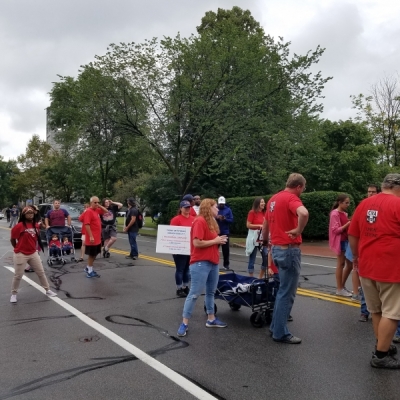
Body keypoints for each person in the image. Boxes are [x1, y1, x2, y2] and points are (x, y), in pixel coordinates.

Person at [349, 174, 400, 368]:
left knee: (376, 310)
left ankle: (382, 345)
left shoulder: (364, 204)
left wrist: (356, 257)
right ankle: (380, 355)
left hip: (367, 266)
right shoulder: (397, 204)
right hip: (391, 267)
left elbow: (353, 234)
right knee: (392, 313)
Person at [263, 173, 309, 344]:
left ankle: (276, 326)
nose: (302, 192)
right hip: (289, 250)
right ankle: (280, 332)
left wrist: (266, 241)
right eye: (303, 189)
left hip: (276, 249)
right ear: (298, 186)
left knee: (281, 290)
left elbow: (266, 223)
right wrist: (298, 230)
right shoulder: (291, 198)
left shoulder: (273, 199)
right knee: (286, 293)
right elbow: (303, 213)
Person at [177, 199, 228, 337]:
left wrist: (219, 240)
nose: (218, 209)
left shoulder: (211, 222)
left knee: (211, 292)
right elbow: (197, 243)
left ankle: (211, 319)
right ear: (208, 208)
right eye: (215, 207)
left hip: (213, 262)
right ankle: (184, 323)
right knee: (194, 293)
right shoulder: (200, 221)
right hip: (200, 262)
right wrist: (215, 240)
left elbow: (210, 241)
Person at [345, 184, 379, 320]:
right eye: (369, 191)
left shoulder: (384, 206)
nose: (371, 193)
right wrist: (355, 254)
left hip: (378, 250)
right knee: (363, 278)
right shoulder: (363, 205)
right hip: (364, 248)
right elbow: (354, 229)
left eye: (373, 191)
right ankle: (364, 311)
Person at [9, 207, 57, 303]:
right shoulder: (19, 226)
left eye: (32, 213)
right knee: (18, 275)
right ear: (24, 215)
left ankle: (47, 290)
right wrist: (17, 249)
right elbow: (13, 239)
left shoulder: (36, 225)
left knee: (41, 272)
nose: (30, 214)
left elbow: (35, 238)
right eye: (28, 213)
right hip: (21, 253)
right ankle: (13, 294)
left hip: (33, 253)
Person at [170, 200, 195, 297]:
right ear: (181, 208)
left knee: (187, 269)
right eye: (185, 207)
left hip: (190, 248)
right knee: (180, 269)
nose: (187, 209)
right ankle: (179, 288)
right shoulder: (176, 219)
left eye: (188, 207)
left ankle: (185, 286)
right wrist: (173, 248)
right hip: (179, 249)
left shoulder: (193, 219)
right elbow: (171, 234)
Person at [329, 194, 352, 297]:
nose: (348, 204)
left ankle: (342, 287)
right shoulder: (335, 214)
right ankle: (339, 288)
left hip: (346, 240)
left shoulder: (344, 214)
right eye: (346, 202)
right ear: (340, 202)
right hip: (340, 241)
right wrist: (348, 224)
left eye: (348, 202)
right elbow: (335, 230)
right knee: (341, 264)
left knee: (350, 264)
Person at [82, 196, 107, 278]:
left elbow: (106, 211)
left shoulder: (96, 210)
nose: (96, 204)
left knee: (95, 253)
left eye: (97, 202)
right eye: (95, 202)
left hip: (97, 237)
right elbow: (87, 224)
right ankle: (90, 271)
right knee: (91, 254)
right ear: (90, 203)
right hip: (92, 238)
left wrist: (99, 205)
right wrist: (91, 236)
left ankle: (88, 268)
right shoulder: (89, 211)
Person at [246, 197, 267, 277]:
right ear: (257, 203)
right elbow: (248, 225)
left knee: (266, 255)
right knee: (252, 257)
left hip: (263, 237)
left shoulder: (265, 213)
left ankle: (260, 277)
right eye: (262, 202)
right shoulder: (252, 212)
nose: (263, 203)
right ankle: (251, 277)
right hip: (254, 237)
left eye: (264, 202)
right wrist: (259, 225)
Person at [215, 196, 234, 270]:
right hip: (216, 232)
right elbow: (212, 218)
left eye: (222, 204)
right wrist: (217, 218)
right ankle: (214, 263)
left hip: (225, 232)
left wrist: (225, 219)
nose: (221, 205)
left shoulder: (228, 210)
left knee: (225, 250)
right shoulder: (216, 209)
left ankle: (226, 265)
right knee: (215, 248)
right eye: (220, 204)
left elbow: (231, 220)